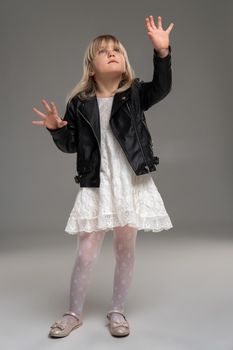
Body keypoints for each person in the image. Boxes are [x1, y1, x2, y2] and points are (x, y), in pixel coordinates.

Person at [32, 15, 174, 338]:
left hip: (129, 183)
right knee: (85, 253)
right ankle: (73, 313)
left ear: (124, 64)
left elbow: (163, 87)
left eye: (117, 50)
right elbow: (71, 145)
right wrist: (56, 129)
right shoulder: (79, 104)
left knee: (126, 250)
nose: (112, 53)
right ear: (91, 68)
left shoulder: (135, 94)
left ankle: (118, 311)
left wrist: (162, 53)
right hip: (97, 184)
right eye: (103, 50)